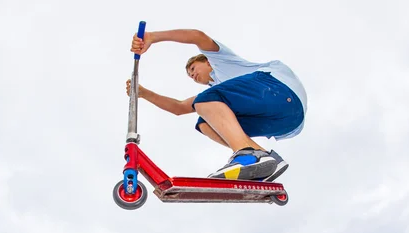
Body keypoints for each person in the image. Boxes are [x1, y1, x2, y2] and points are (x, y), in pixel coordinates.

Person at [127, 28, 307, 181]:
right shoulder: (216, 95)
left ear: (206, 61)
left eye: (193, 69)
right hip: (287, 123)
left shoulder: (220, 60)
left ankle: (248, 155)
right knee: (203, 122)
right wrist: (144, 93)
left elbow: (197, 36)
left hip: (280, 89)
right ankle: (264, 159)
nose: (193, 76)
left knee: (204, 100)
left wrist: (153, 37)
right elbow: (179, 107)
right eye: (190, 77)